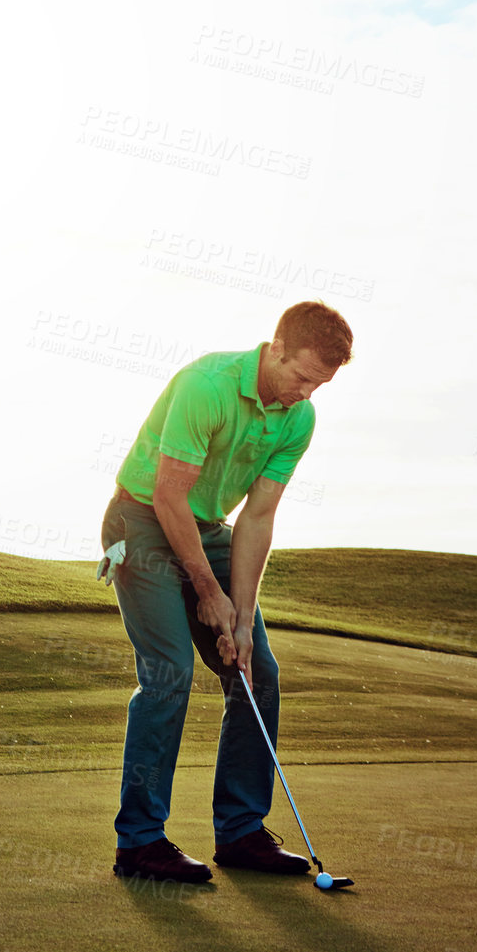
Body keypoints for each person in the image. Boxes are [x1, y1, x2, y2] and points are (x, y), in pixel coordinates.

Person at [98, 300, 353, 882]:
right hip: (140, 522)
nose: (307, 393)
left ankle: (240, 833)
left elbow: (258, 519)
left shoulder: (298, 419)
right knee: (169, 672)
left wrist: (241, 615)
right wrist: (210, 594)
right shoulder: (206, 385)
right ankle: (138, 843)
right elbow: (167, 495)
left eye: (321, 385)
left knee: (256, 670)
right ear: (277, 348)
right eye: (302, 376)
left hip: (210, 529)